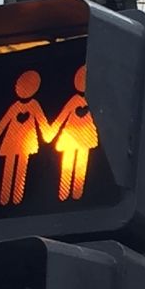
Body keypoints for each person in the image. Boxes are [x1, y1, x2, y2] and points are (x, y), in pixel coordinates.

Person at [0, 70, 50, 206]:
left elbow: (41, 120)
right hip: (12, 141)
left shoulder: (34, 105)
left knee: (21, 167)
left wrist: (48, 134)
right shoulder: (15, 106)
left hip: (25, 142)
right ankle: (5, 197)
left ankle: (16, 197)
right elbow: (3, 123)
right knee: (9, 168)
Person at [44, 65, 98, 201]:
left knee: (80, 165)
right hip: (70, 137)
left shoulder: (95, 101)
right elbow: (62, 116)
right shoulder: (74, 101)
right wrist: (50, 133)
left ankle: (77, 193)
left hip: (85, 137)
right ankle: (65, 193)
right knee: (67, 166)